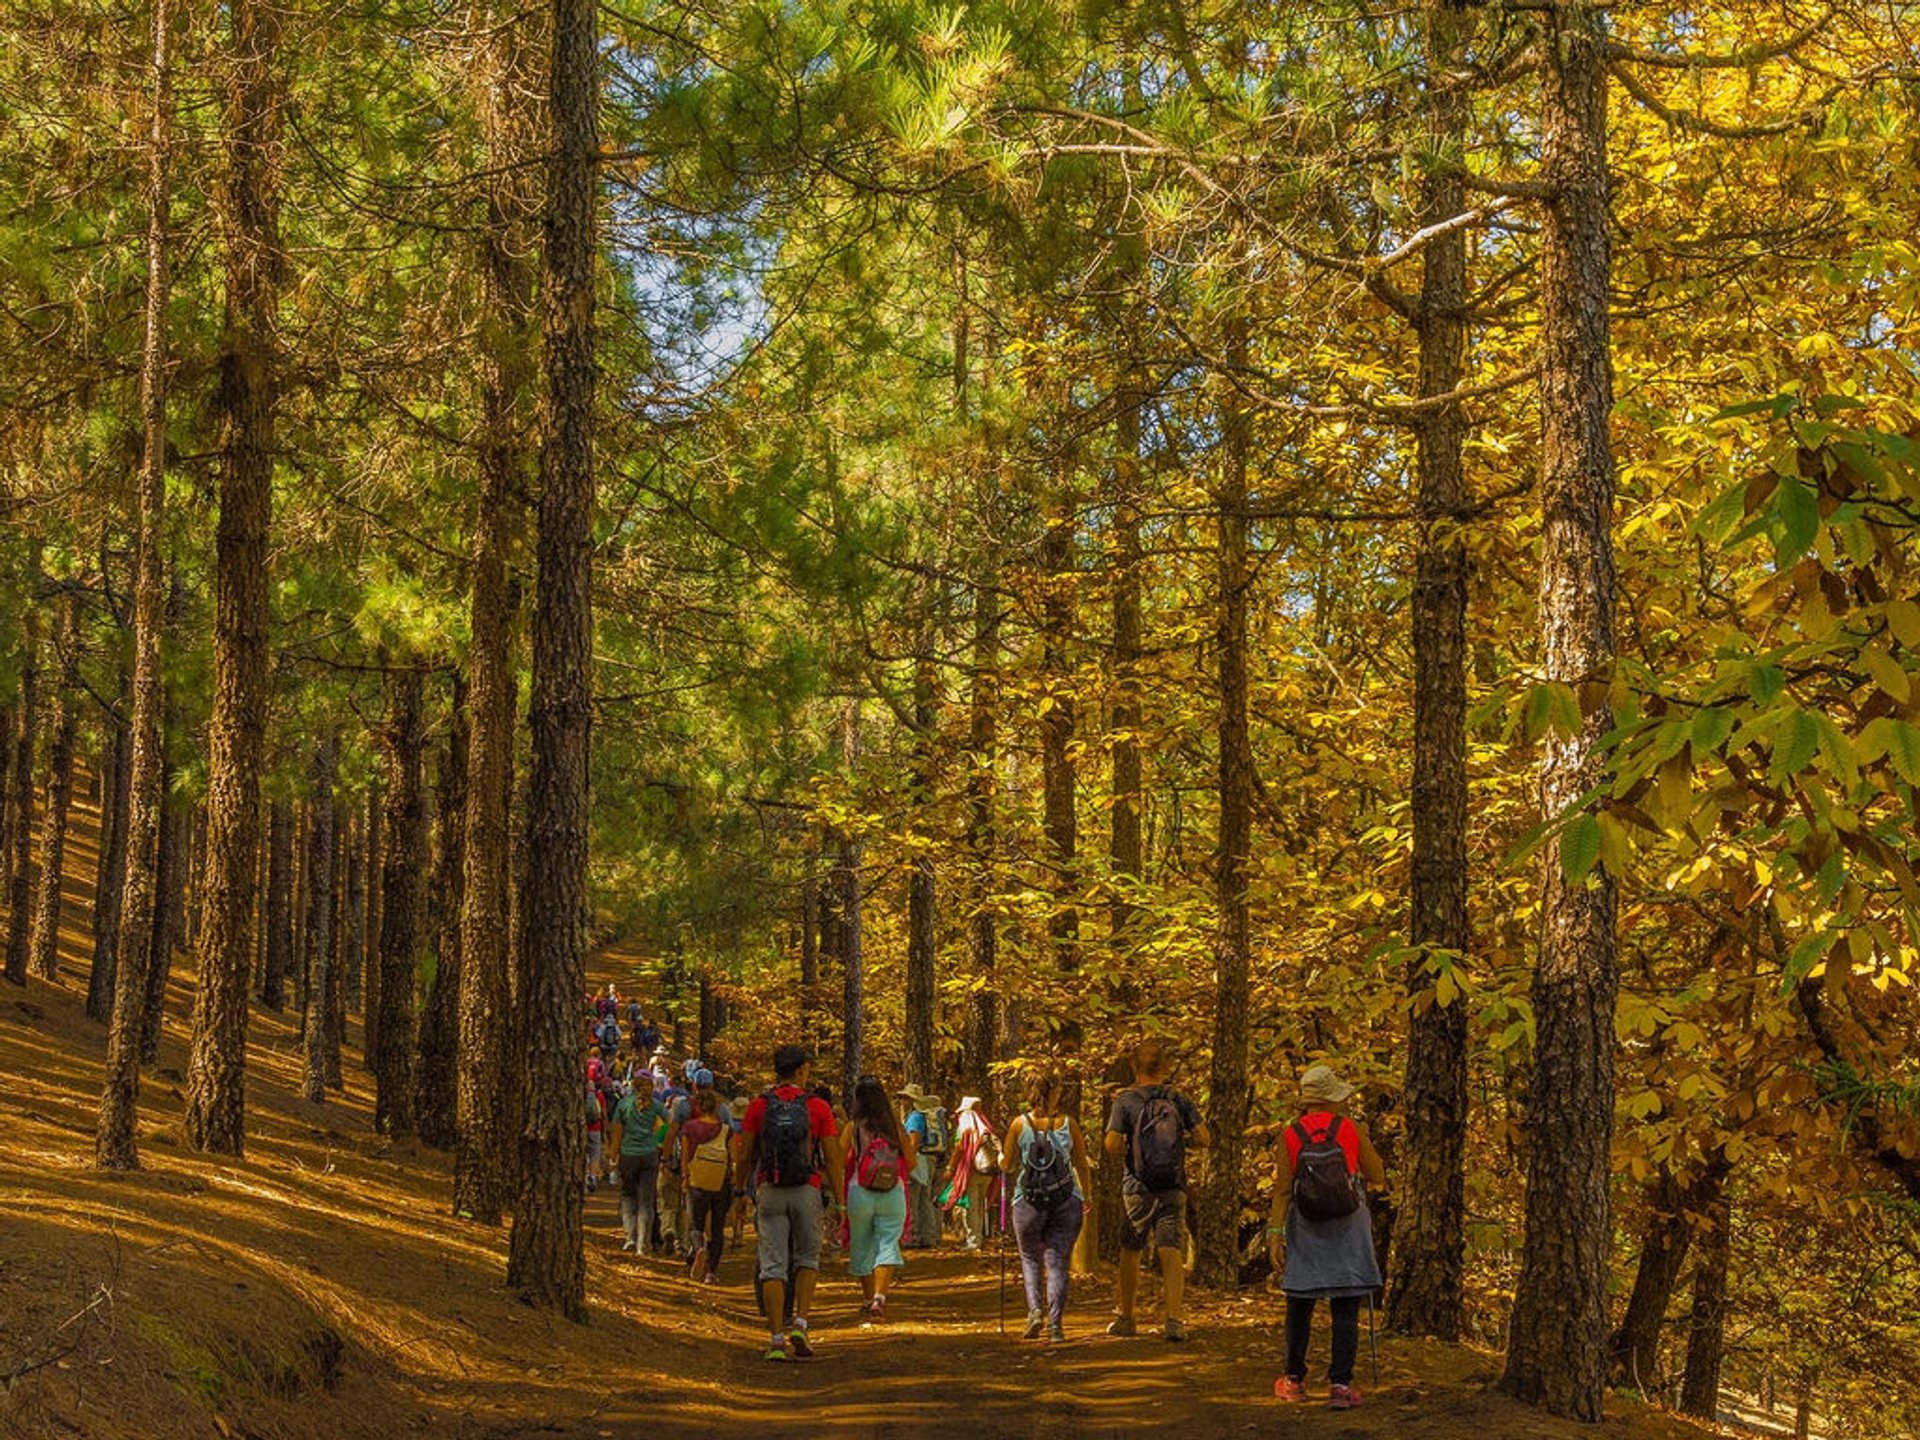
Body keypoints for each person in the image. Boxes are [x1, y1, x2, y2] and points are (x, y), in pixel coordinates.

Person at [1268, 1063, 1386, 1411]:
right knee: (1346, 1302)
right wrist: (1360, 1139)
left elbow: (1282, 1191)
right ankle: (1340, 1386)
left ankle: (1293, 1380)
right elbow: (1376, 1173)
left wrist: (1275, 1234)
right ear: (1332, 1099)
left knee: (1300, 1301)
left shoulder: (1290, 1134)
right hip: (1348, 1227)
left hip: (1306, 1226)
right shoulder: (1349, 1128)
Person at [739, 1044, 843, 1361]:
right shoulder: (817, 1107)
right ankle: (800, 1321)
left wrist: (739, 1190)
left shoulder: (758, 1107)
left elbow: (745, 1154)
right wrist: (840, 1203)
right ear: (801, 1071)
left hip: (769, 1190)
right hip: (807, 1189)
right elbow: (833, 1158)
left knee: (772, 1265)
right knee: (807, 1259)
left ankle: (775, 1338)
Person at [1104, 1037, 1210, 1342]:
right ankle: (1174, 1320)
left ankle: (1126, 1317)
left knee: (1132, 1248)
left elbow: (1111, 1145)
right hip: (1173, 1185)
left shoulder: (1125, 1101)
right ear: (1165, 1067)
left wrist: (1132, 1147)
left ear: (1134, 1066)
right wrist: (1179, 1145)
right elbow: (1204, 1138)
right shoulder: (1178, 1099)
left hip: (1137, 1185)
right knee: (1170, 1248)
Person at [1003, 1071, 1093, 1343]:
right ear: (1055, 1093)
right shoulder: (1069, 1124)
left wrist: (998, 1156)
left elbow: (1006, 1165)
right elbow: (1081, 1163)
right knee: (1057, 1261)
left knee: (1029, 1258)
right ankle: (1055, 1326)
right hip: (1066, 1199)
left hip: (1027, 1201)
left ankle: (1034, 1312)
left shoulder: (1019, 1125)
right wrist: (1086, 1196)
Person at [844, 1078, 917, 1321]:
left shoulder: (853, 1126)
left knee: (862, 1244)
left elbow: (839, 1155)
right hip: (892, 1191)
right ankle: (879, 1298)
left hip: (859, 1191)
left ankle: (867, 1298)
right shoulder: (894, 1126)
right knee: (888, 1242)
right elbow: (912, 1161)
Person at [610, 1071, 671, 1254]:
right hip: (649, 1154)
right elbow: (671, 1123)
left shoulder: (623, 1104)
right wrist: (659, 1139)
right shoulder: (656, 1106)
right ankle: (642, 1244)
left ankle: (630, 1237)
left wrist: (613, 1158)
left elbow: (617, 1134)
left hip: (628, 1155)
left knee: (628, 1196)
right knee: (646, 1200)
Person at [679, 1086, 734, 1284]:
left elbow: (686, 1156)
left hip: (697, 1181)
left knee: (696, 1223)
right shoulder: (725, 1130)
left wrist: (685, 1176)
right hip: (720, 1182)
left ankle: (698, 1247)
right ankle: (712, 1272)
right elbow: (731, 1157)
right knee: (717, 1228)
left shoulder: (689, 1127)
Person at [942, 1096, 999, 1251]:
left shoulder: (967, 1125)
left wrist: (950, 1168)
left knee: (971, 1206)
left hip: (971, 1172)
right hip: (988, 1171)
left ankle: (973, 1241)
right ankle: (978, 1237)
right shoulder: (985, 1126)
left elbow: (959, 1148)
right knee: (980, 1204)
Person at [899, 1085, 947, 1250]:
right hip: (927, 1160)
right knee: (924, 1197)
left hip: (918, 1160)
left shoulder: (914, 1117)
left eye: (905, 1098)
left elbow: (913, 1142)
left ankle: (913, 1236)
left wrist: (906, 1162)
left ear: (912, 1101)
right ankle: (928, 1236)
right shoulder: (922, 1116)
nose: (902, 1101)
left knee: (913, 1197)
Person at [585, 1059, 609, 1193]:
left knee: (583, 1154)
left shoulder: (580, 1096)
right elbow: (604, 1114)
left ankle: (583, 1179)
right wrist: (604, 1130)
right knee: (595, 1153)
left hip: (583, 1129)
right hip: (596, 1129)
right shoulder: (599, 1096)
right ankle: (593, 1177)